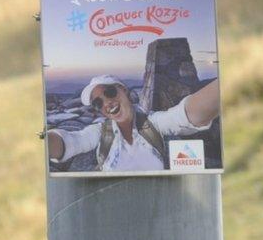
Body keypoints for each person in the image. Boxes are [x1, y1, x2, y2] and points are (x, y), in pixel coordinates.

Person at [45, 73, 221, 173]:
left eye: (110, 92)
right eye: (98, 103)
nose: (106, 103)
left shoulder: (154, 123)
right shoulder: (99, 132)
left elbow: (184, 116)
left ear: (124, 90)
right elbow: (71, 141)